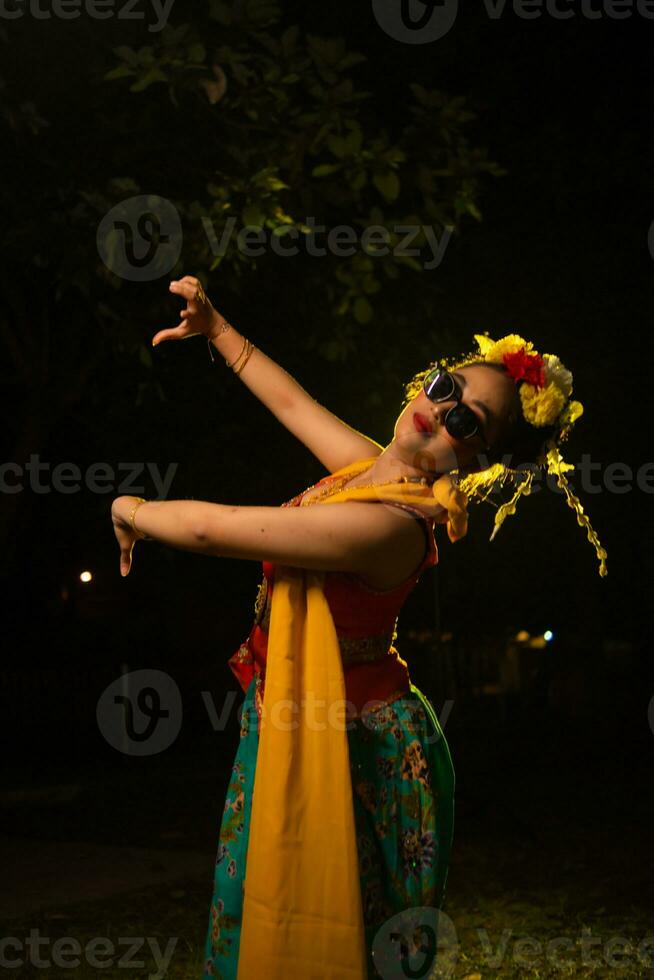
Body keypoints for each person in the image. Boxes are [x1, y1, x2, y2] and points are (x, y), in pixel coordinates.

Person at [111, 276, 607, 979]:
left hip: (355, 742)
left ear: (477, 460)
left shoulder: (388, 525)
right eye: (443, 387)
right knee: (270, 900)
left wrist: (130, 511)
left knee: (330, 925)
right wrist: (218, 328)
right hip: (303, 715)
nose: (440, 412)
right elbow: (291, 402)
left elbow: (209, 529)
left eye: (466, 422)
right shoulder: (370, 471)